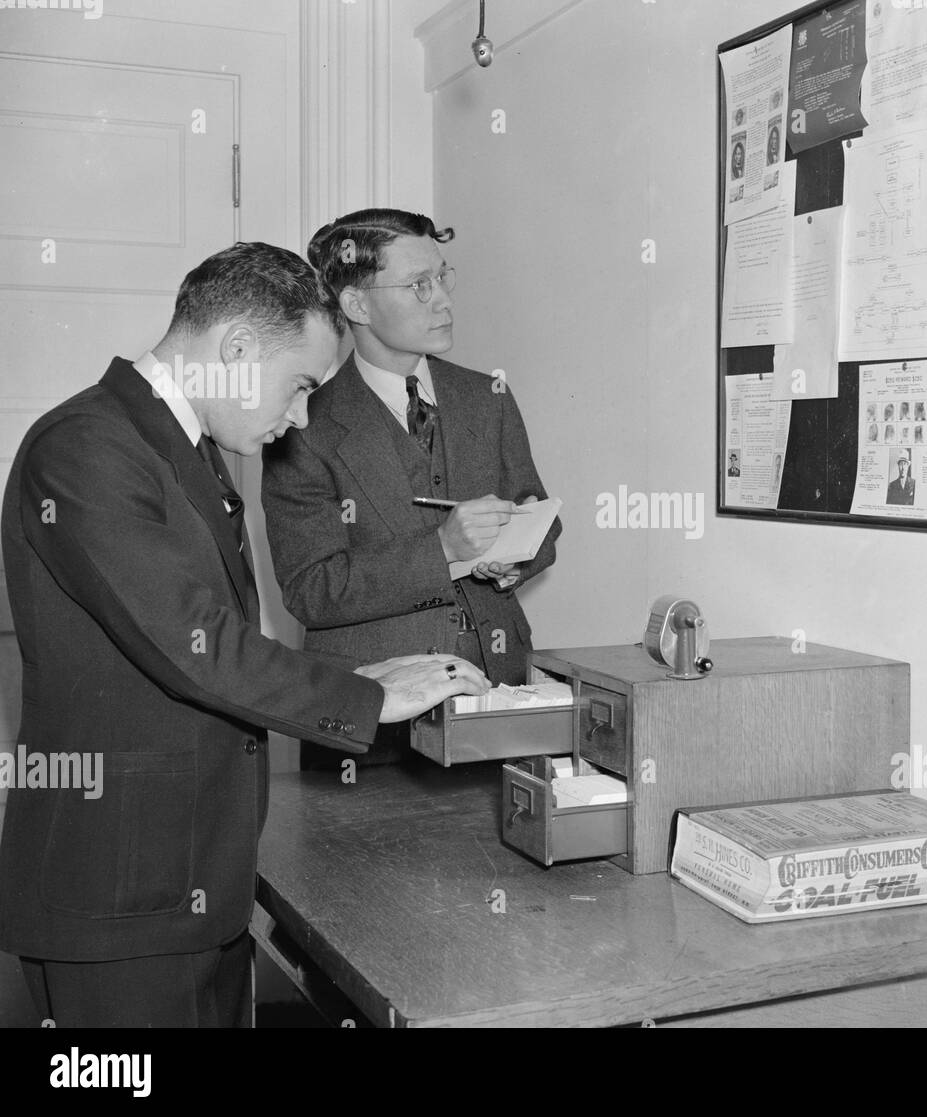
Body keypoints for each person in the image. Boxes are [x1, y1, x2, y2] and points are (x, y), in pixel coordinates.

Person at [0, 242, 490, 1027]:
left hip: (190, 885)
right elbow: (197, 644)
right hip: (120, 905)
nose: (300, 417)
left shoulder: (180, 447)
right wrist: (366, 695)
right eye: (300, 386)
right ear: (234, 347)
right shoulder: (86, 447)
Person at [262, 209, 560, 769]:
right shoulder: (301, 424)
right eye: (418, 285)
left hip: (500, 699)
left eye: (443, 278)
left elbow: (537, 513)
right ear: (356, 305)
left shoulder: (486, 396)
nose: (443, 300)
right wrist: (445, 551)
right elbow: (311, 590)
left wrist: (514, 558)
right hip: (371, 726)